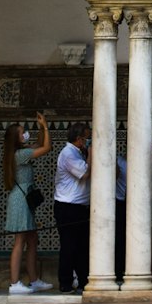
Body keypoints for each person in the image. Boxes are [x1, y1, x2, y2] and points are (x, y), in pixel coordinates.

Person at [3, 112, 53, 295]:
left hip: (24, 200)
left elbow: (39, 144)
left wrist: (40, 128)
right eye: (22, 132)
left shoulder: (19, 153)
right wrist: (46, 127)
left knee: (32, 241)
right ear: (16, 137)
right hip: (20, 201)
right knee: (20, 241)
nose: (25, 134)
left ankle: (34, 280)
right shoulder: (20, 155)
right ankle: (14, 282)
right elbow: (46, 148)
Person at [53, 120, 91, 294]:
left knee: (82, 247)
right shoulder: (69, 153)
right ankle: (65, 282)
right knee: (69, 246)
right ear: (79, 138)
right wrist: (91, 152)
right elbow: (85, 173)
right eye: (87, 138)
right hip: (68, 207)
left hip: (80, 207)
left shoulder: (78, 152)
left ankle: (83, 281)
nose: (89, 141)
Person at [114, 151, 127, 285]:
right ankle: (118, 273)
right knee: (119, 239)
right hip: (119, 203)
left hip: (136, 205)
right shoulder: (119, 161)